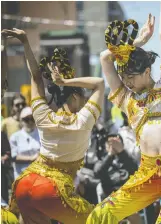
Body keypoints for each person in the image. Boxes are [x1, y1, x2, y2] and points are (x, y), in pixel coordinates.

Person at [86, 2, 161, 224]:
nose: (127, 82)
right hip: (148, 173)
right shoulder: (127, 100)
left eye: (131, 76)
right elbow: (105, 58)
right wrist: (136, 43)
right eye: (124, 78)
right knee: (99, 215)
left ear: (147, 71)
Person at [2, 28, 104, 224]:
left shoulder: (42, 116)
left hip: (24, 184)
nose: (84, 101)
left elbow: (35, 78)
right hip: (49, 189)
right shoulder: (82, 120)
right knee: (101, 219)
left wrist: (25, 42)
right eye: (82, 97)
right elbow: (99, 83)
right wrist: (64, 81)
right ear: (75, 96)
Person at [9, 107, 40, 179]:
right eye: (26, 119)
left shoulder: (41, 135)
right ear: (21, 121)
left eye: (32, 119)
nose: (30, 122)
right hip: (21, 175)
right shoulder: (15, 137)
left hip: (39, 175)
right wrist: (32, 158)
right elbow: (14, 157)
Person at [1, 131, 12, 203]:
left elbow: (7, 152)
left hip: (1, 169)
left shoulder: (1, 135)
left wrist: (3, 158)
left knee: (3, 194)